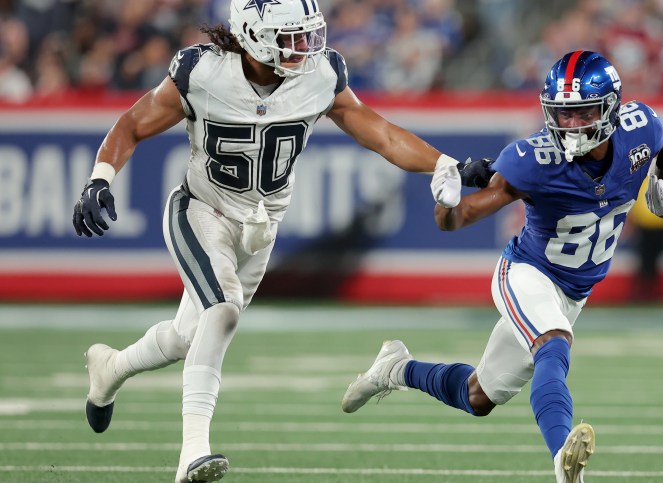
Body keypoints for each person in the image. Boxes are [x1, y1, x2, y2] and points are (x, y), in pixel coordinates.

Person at [72, 1, 470, 482]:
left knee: (185, 336)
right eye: (292, 37)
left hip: (259, 229)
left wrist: (443, 162)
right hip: (201, 210)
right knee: (222, 311)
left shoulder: (321, 74)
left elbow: (381, 134)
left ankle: (110, 368)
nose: (305, 48)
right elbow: (134, 124)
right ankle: (191, 455)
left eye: (308, 35)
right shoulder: (204, 71)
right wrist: (99, 178)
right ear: (253, 34)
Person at [341, 50, 663, 483]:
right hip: (526, 273)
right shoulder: (533, 159)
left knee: (479, 396)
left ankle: (394, 369)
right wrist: (445, 203)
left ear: (611, 109)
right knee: (554, 346)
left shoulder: (643, 128)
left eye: (582, 114)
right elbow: (459, 218)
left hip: (573, 292)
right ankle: (563, 459)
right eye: (562, 115)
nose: (571, 126)